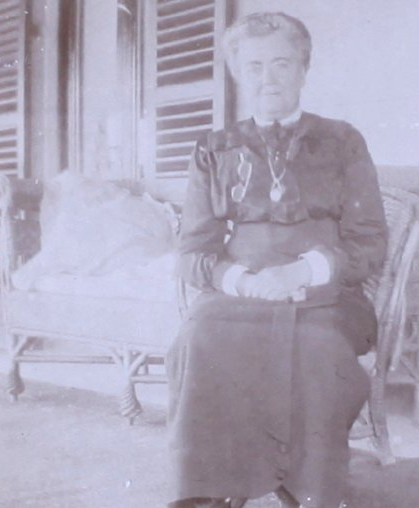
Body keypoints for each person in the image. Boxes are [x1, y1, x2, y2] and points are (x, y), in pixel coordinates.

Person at [166, 12, 388, 508]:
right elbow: (193, 253)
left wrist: (303, 270)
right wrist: (245, 281)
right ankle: (211, 494)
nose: (269, 78)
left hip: (328, 296)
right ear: (240, 75)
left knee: (316, 347)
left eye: (282, 64)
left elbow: (370, 241)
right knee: (199, 337)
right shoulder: (212, 148)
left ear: (304, 70)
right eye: (255, 66)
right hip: (239, 294)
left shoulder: (343, 141)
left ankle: (307, 492)